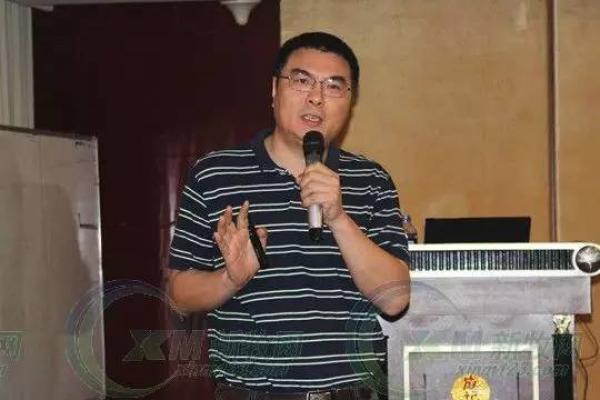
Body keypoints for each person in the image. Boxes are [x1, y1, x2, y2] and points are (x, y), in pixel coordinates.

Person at [168, 32, 411, 400]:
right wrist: (230, 279)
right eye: (301, 81)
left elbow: (395, 300)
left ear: (350, 102)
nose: (316, 97)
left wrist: (339, 217)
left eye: (334, 86)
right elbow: (179, 295)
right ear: (274, 90)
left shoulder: (371, 180)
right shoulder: (214, 175)